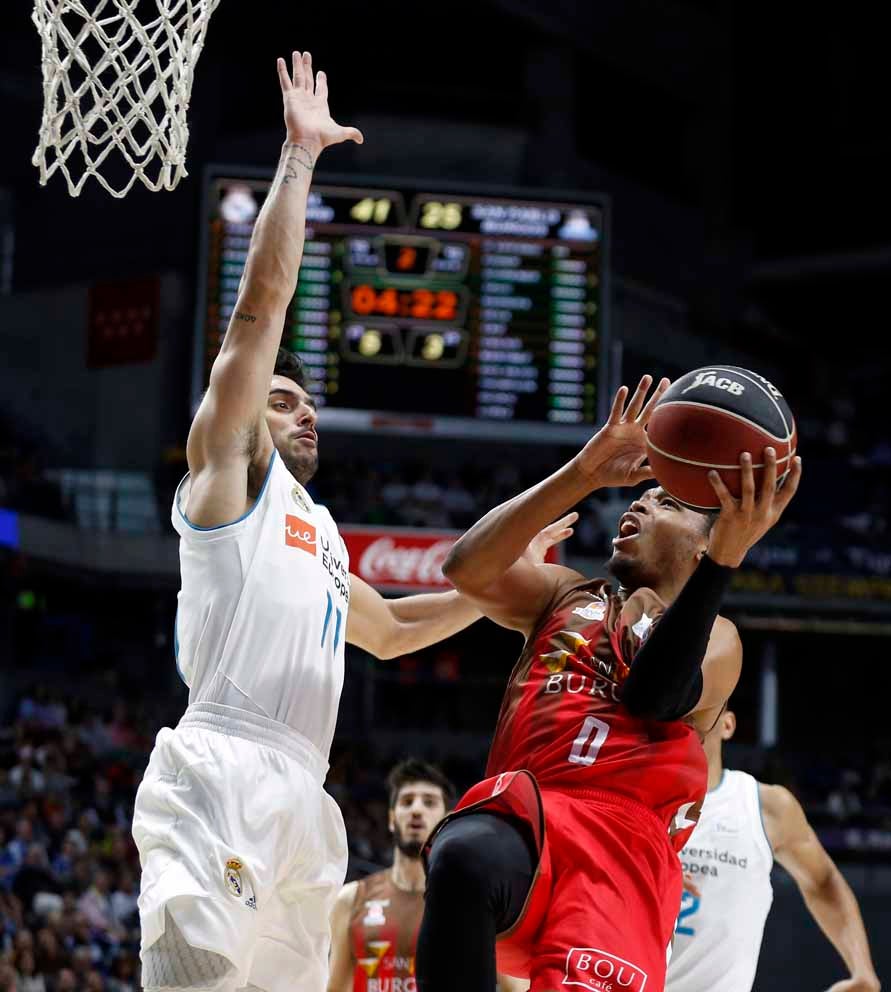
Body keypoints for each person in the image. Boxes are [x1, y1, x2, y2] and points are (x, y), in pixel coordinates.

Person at [130, 51, 560, 992]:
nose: (306, 414)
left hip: (305, 796)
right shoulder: (228, 476)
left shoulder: (320, 532)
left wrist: (503, 585)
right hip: (223, 766)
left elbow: (396, 628)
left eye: (310, 405)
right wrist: (300, 159)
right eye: (284, 401)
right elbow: (259, 314)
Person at [416, 377, 802, 992]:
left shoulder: (719, 637)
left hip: (622, 853)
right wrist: (584, 473)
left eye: (666, 503)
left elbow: (655, 696)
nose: (639, 505)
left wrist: (726, 561)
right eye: (641, 496)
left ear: (704, 548)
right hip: (535, 818)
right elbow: (466, 568)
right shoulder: (565, 594)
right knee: (463, 853)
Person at [667, 710, 880, 992]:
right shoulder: (635, 796)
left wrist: (862, 970)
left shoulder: (765, 806)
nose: (692, 713)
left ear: (728, 724)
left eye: (705, 705)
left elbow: (823, 881)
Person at [326, 761, 455, 992]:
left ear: (447, 819)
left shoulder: (469, 903)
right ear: (391, 818)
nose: (416, 810)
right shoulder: (351, 899)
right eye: (407, 801)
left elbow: (515, 986)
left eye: (429, 802)